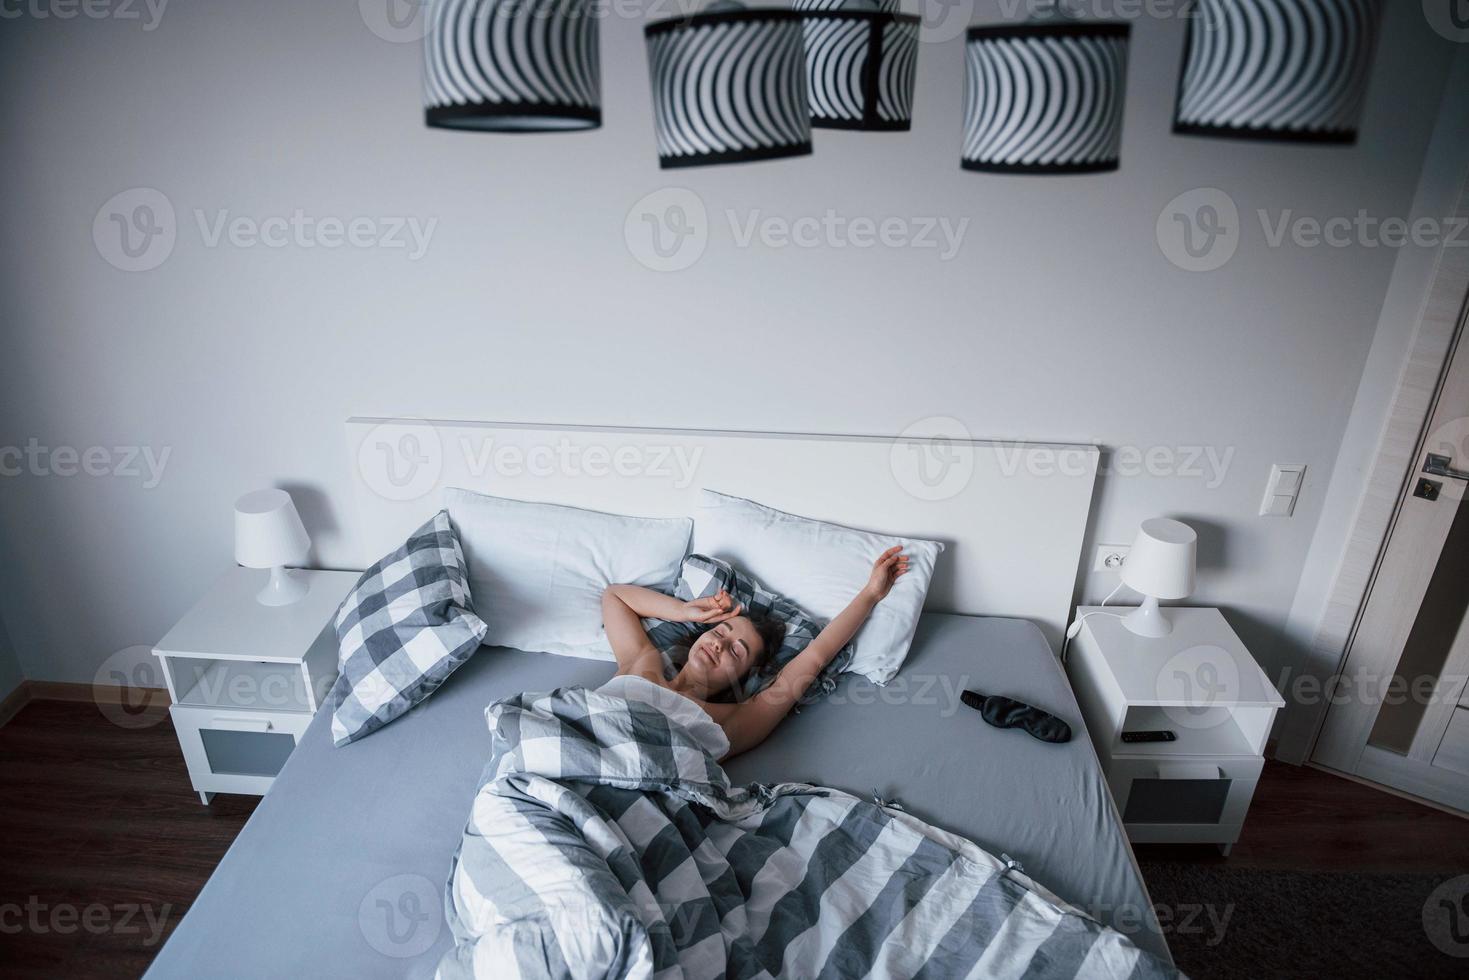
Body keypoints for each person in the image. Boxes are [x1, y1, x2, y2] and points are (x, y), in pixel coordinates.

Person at [600, 547, 909, 759]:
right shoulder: (641, 664)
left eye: (737, 650)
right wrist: (684, 611)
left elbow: (816, 656)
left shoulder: (734, 720)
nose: (719, 644)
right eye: (720, 632)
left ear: (745, 676)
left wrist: (871, 593)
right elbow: (614, 596)